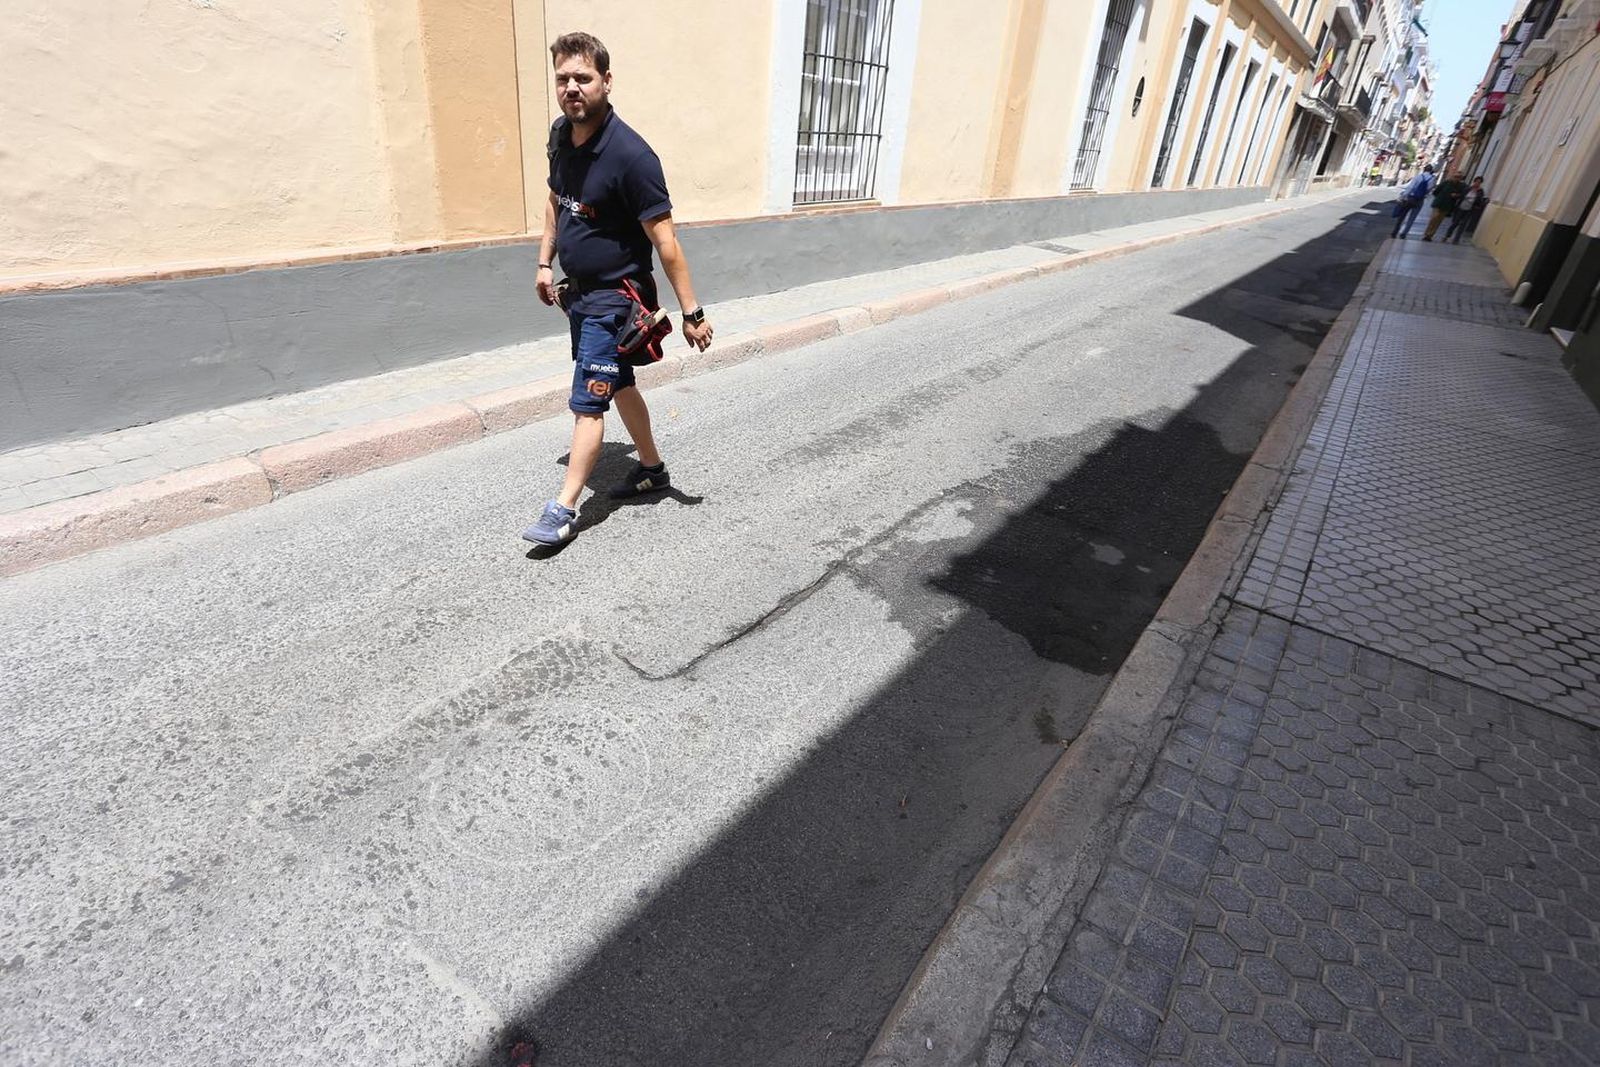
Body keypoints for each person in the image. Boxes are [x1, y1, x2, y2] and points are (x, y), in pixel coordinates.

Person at [521, 32, 714, 547]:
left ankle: (563, 509)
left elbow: (666, 241)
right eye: (563, 78)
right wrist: (544, 262)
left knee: (589, 401)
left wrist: (692, 312)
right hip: (579, 295)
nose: (571, 87)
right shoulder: (560, 135)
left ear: (606, 81)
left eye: (583, 78)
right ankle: (651, 468)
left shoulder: (632, 156)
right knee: (621, 383)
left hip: (617, 301)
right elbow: (555, 199)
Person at [1391, 164, 1434, 239]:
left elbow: (1410, 187)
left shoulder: (1418, 176)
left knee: (1402, 216)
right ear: (1431, 171)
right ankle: (1404, 233)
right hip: (1419, 200)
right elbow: (1429, 190)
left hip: (1410, 198)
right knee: (1412, 218)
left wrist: (1403, 196)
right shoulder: (1432, 179)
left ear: (1424, 169)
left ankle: (1395, 232)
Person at [1422, 171, 1467, 241]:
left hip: (1447, 205)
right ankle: (1426, 234)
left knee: (1439, 221)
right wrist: (1440, 197)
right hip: (1438, 203)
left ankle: (1430, 235)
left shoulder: (1461, 186)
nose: (1457, 178)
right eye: (1455, 177)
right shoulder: (1446, 183)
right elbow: (1436, 192)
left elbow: (1463, 194)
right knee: (1434, 218)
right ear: (1452, 176)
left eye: (1459, 177)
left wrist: (1456, 195)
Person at [1445, 177, 1490, 244]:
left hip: (1470, 210)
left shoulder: (1480, 191)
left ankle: (1456, 239)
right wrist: (1456, 196)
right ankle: (1447, 236)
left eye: (1479, 182)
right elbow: (1461, 195)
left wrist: (1481, 202)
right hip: (1461, 207)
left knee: (1463, 224)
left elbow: (1479, 201)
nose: (1477, 183)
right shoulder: (1468, 188)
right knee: (1455, 223)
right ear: (1474, 181)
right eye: (1476, 181)